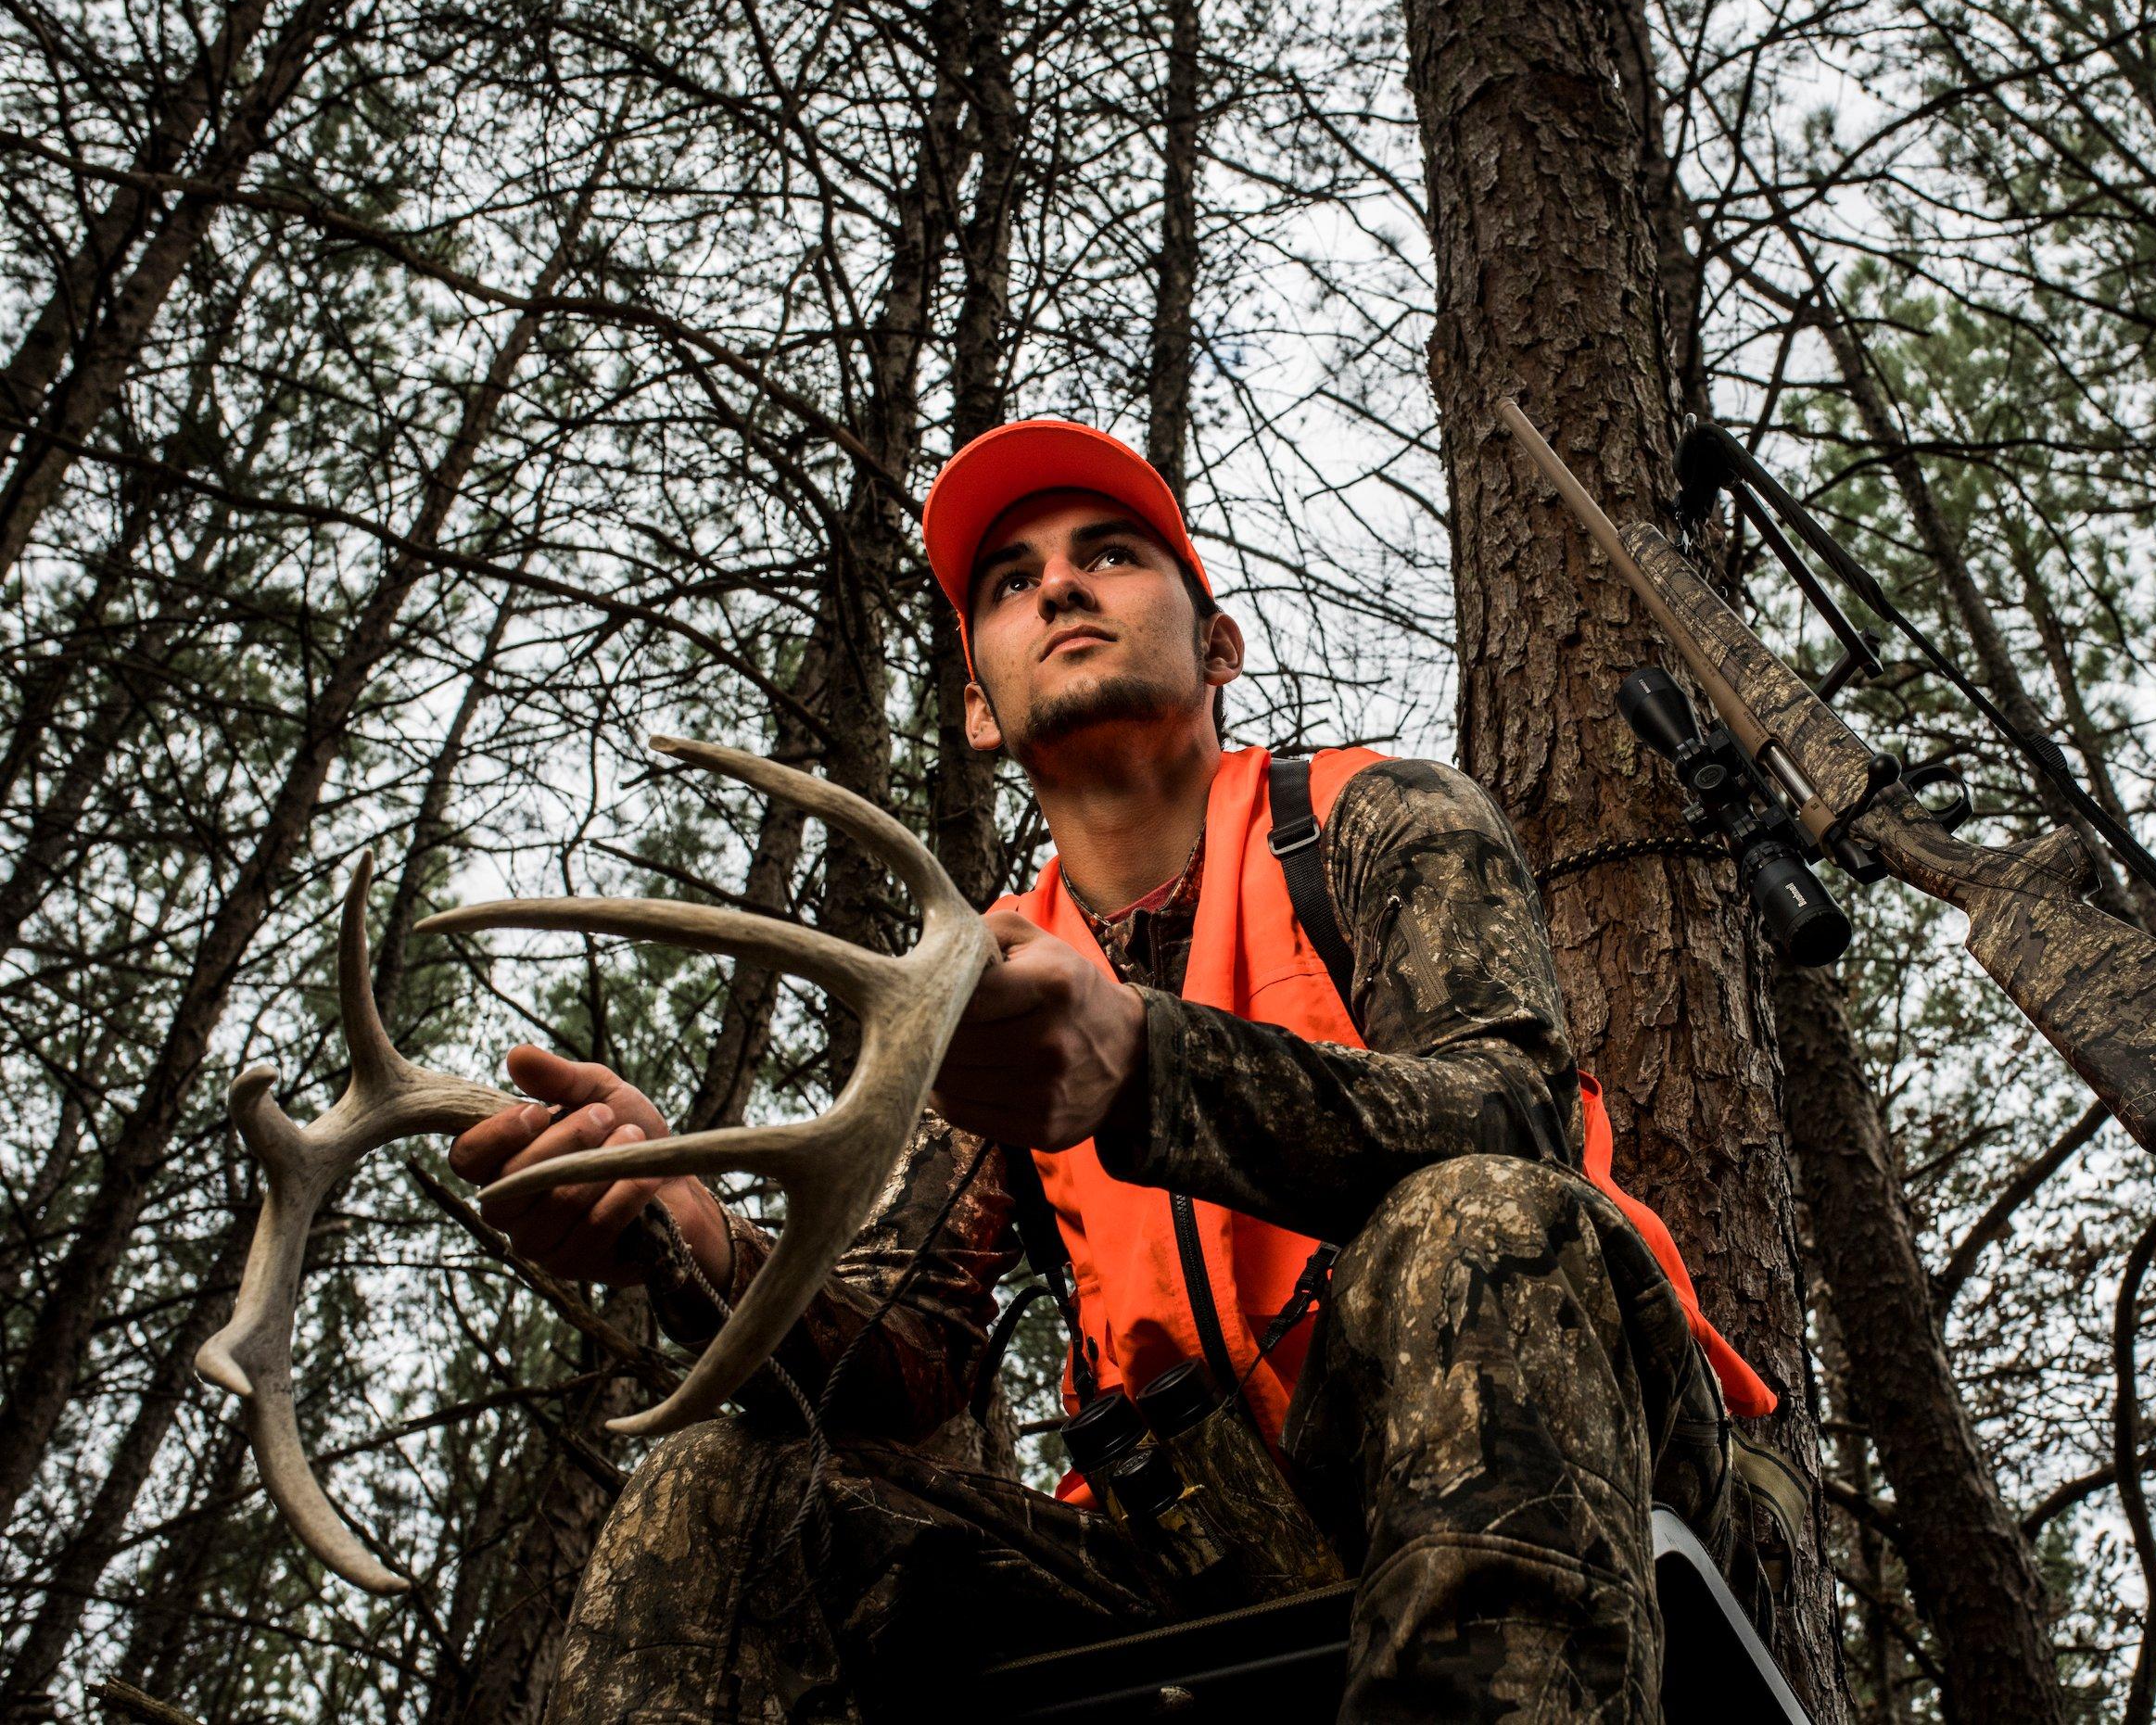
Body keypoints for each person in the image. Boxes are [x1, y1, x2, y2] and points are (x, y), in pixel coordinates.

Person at [450, 417, 1800, 1723]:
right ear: (980, 708)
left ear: (1219, 647)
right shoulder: (981, 993)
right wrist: (697, 1246)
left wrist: (1149, 1066)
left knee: (1477, 1222)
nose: (1060, 588)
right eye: (1013, 580)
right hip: (1212, 1550)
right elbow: (899, 1352)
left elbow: (1514, 1114)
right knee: (722, 1486)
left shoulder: (1372, 819)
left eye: (1109, 554)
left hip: (1588, 1453)